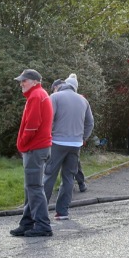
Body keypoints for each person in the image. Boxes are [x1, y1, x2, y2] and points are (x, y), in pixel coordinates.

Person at [9, 69, 53, 238]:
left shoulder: (36, 96)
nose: (21, 84)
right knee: (31, 187)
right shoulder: (40, 94)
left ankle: (43, 225)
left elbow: (32, 125)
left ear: (34, 81)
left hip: (35, 148)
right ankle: (27, 223)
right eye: (21, 81)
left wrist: (23, 144)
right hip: (39, 147)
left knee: (34, 188)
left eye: (24, 81)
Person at [44, 74, 94, 221]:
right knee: (68, 178)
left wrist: (48, 136)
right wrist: (83, 138)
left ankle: (40, 210)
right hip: (76, 144)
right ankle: (62, 212)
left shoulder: (56, 97)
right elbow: (90, 123)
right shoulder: (83, 100)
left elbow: (48, 118)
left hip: (57, 142)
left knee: (49, 176)